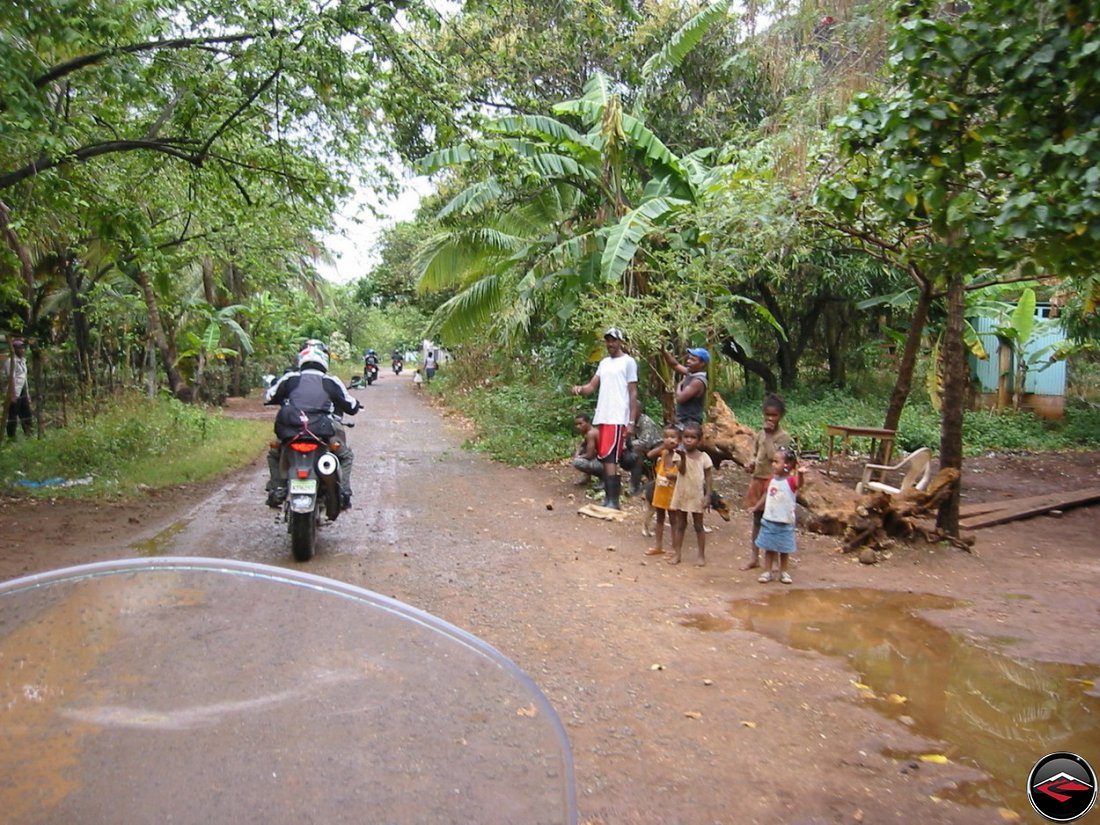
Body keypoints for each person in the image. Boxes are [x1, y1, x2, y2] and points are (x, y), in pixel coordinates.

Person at [265, 340, 361, 508]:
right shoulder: (331, 381)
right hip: (321, 431)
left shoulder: (290, 379)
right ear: (324, 358)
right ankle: (344, 493)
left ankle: (278, 487)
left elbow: (269, 396)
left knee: (275, 452)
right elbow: (351, 406)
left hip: (291, 433)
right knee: (345, 455)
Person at [570, 327, 639, 510]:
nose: (610, 344)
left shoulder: (628, 362)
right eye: (608, 341)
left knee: (610, 457)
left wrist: (631, 421)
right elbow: (592, 386)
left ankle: (613, 500)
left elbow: (632, 393)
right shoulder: (604, 363)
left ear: (620, 342)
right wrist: (580, 389)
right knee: (606, 456)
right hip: (604, 415)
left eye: (614, 340)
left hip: (618, 416)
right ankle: (610, 497)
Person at [741, 394, 791, 570]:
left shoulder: (783, 437)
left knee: (774, 521)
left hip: (774, 484)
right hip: (758, 480)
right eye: (767, 415)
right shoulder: (760, 434)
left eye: (774, 415)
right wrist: (751, 462)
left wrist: (770, 437)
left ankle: (775, 560)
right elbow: (757, 453)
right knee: (757, 520)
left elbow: (773, 457)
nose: (770, 418)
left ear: (781, 416)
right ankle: (754, 557)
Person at [752, 448, 806, 584]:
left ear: (786, 465)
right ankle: (767, 571)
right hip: (769, 519)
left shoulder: (791, 481)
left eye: (776, 462)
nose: (773, 465)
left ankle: (784, 572)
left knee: (784, 549)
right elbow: (766, 495)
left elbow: (799, 484)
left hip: (785, 521)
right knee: (769, 548)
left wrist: (801, 474)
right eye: (773, 462)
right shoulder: (772, 480)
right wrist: (757, 506)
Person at [667, 421, 713, 566]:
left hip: (697, 496)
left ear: (699, 440)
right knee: (681, 525)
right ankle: (677, 554)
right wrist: (683, 457)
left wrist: (708, 495)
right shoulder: (678, 455)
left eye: (692, 437)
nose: (688, 440)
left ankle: (701, 555)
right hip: (682, 494)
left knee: (698, 526)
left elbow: (709, 476)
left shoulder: (704, 457)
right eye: (686, 437)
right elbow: (682, 470)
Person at [644, 424, 681, 557]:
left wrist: (673, 476)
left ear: (679, 440)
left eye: (673, 437)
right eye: (666, 437)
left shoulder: (680, 456)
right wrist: (663, 446)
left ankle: (675, 548)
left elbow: (684, 474)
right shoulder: (664, 453)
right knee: (659, 519)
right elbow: (649, 455)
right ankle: (658, 546)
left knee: (673, 521)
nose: (669, 439)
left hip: (672, 494)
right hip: (660, 493)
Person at [661, 347, 710, 426]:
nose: (688, 361)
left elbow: (680, 399)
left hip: (690, 421)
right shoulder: (690, 373)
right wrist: (664, 352)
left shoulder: (698, 381)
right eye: (689, 358)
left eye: (693, 360)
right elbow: (675, 365)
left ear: (702, 364)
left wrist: (679, 385)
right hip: (683, 420)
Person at [2, 338, 32, 440]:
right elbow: (11, 379)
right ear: (14, 349)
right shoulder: (11, 361)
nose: (21, 350)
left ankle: (29, 434)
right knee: (13, 416)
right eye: (19, 348)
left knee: (26, 413)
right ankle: (11, 437)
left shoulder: (23, 361)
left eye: (22, 348)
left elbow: (24, 379)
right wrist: (13, 395)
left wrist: (27, 395)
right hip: (13, 391)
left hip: (22, 390)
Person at [627, 412, 662, 496]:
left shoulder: (646, 421)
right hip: (644, 448)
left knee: (637, 452)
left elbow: (645, 442)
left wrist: (629, 444)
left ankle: (634, 485)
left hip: (655, 448)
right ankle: (637, 482)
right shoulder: (629, 422)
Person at [571, 413, 603, 484]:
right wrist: (578, 451)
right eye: (576, 424)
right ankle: (587, 478)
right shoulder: (587, 432)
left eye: (580, 424)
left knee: (578, 462)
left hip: (604, 463)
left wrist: (578, 457)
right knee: (583, 451)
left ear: (588, 423)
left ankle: (603, 477)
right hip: (602, 461)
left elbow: (589, 455)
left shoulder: (591, 434)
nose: (578, 426)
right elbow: (582, 445)